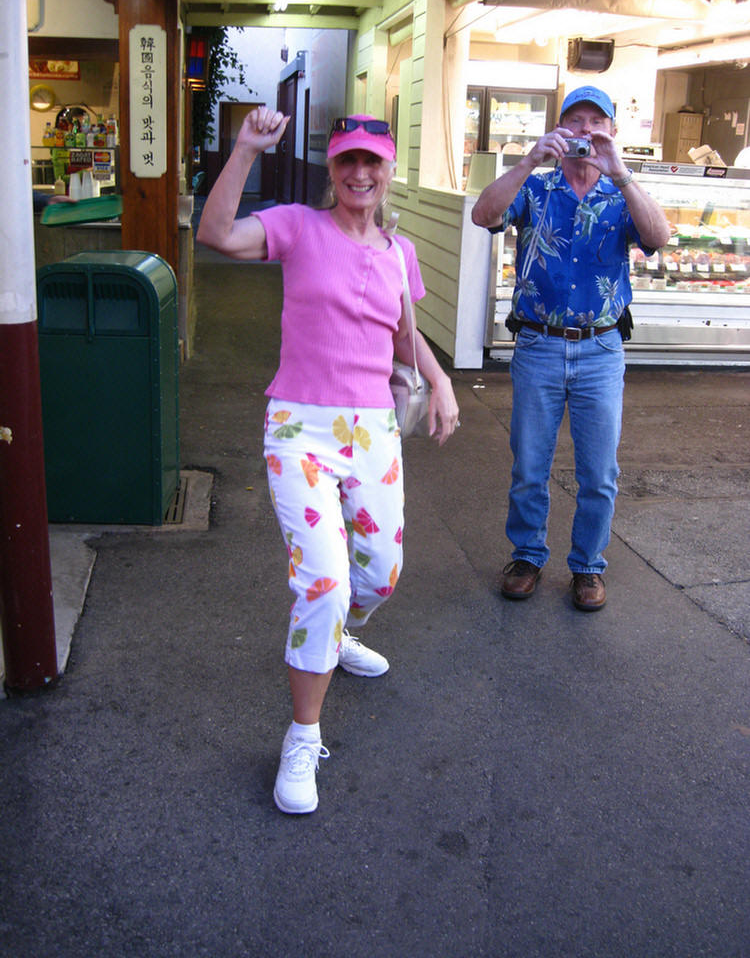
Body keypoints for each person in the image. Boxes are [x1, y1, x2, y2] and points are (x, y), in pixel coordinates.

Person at [197, 107, 459, 813]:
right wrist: (247, 148)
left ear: (387, 170)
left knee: (379, 575)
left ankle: (339, 634)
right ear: (332, 169)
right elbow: (216, 234)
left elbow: (404, 334)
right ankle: (302, 736)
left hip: (373, 429)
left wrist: (438, 381)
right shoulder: (298, 227)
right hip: (300, 429)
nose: (361, 173)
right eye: (348, 161)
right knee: (323, 584)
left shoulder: (399, 252)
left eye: (373, 161)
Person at [471, 85, 670, 612]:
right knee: (529, 464)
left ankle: (588, 567)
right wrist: (529, 158)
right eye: (575, 121)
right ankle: (527, 556)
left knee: (600, 473)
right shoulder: (536, 189)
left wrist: (621, 171)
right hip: (538, 346)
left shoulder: (618, 193)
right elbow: (484, 215)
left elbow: (660, 237)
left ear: (610, 130)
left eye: (595, 122)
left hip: (601, 351)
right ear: (560, 128)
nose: (584, 131)